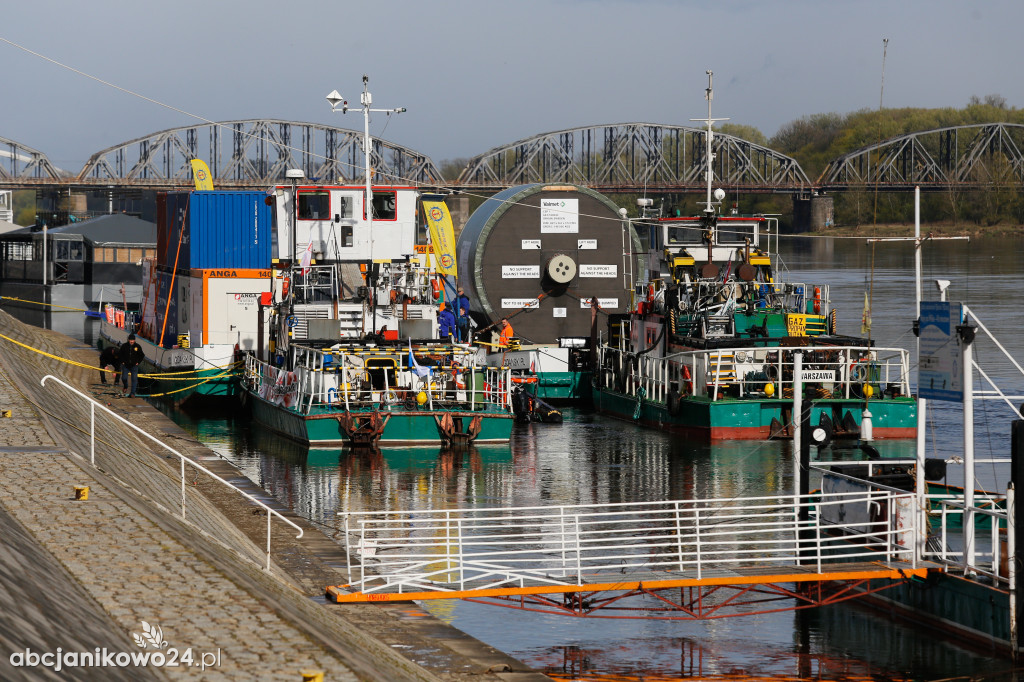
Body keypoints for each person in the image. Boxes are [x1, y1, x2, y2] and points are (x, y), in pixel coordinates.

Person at [119, 333, 145, 398]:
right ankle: (125, 386)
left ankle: (132, 393)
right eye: (130, 340)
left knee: (134, 379)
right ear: (128, 340)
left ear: (134, 340)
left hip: (134, 366)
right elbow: (120, 354)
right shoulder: (124, 346)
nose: (131, 341)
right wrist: (122, 361)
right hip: (126, 365)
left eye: (133, 340)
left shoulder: (137, 346)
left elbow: (142, 355)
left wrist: (138, 362)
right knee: (124, 378)